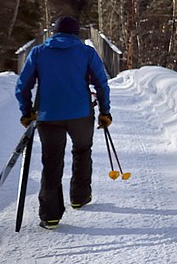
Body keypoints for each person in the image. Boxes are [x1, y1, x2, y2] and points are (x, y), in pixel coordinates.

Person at [15, 15, 112, 229]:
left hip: (48, 116)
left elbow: (22, 86)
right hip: (80, 114)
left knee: (51, 162)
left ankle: (50, 216)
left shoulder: (38, 52)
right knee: (82, 151)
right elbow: (101, 84)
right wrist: (105, 111)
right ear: (76, 33)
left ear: (54, 33)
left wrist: (27, 112)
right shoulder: (86, 52)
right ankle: (79, 197)